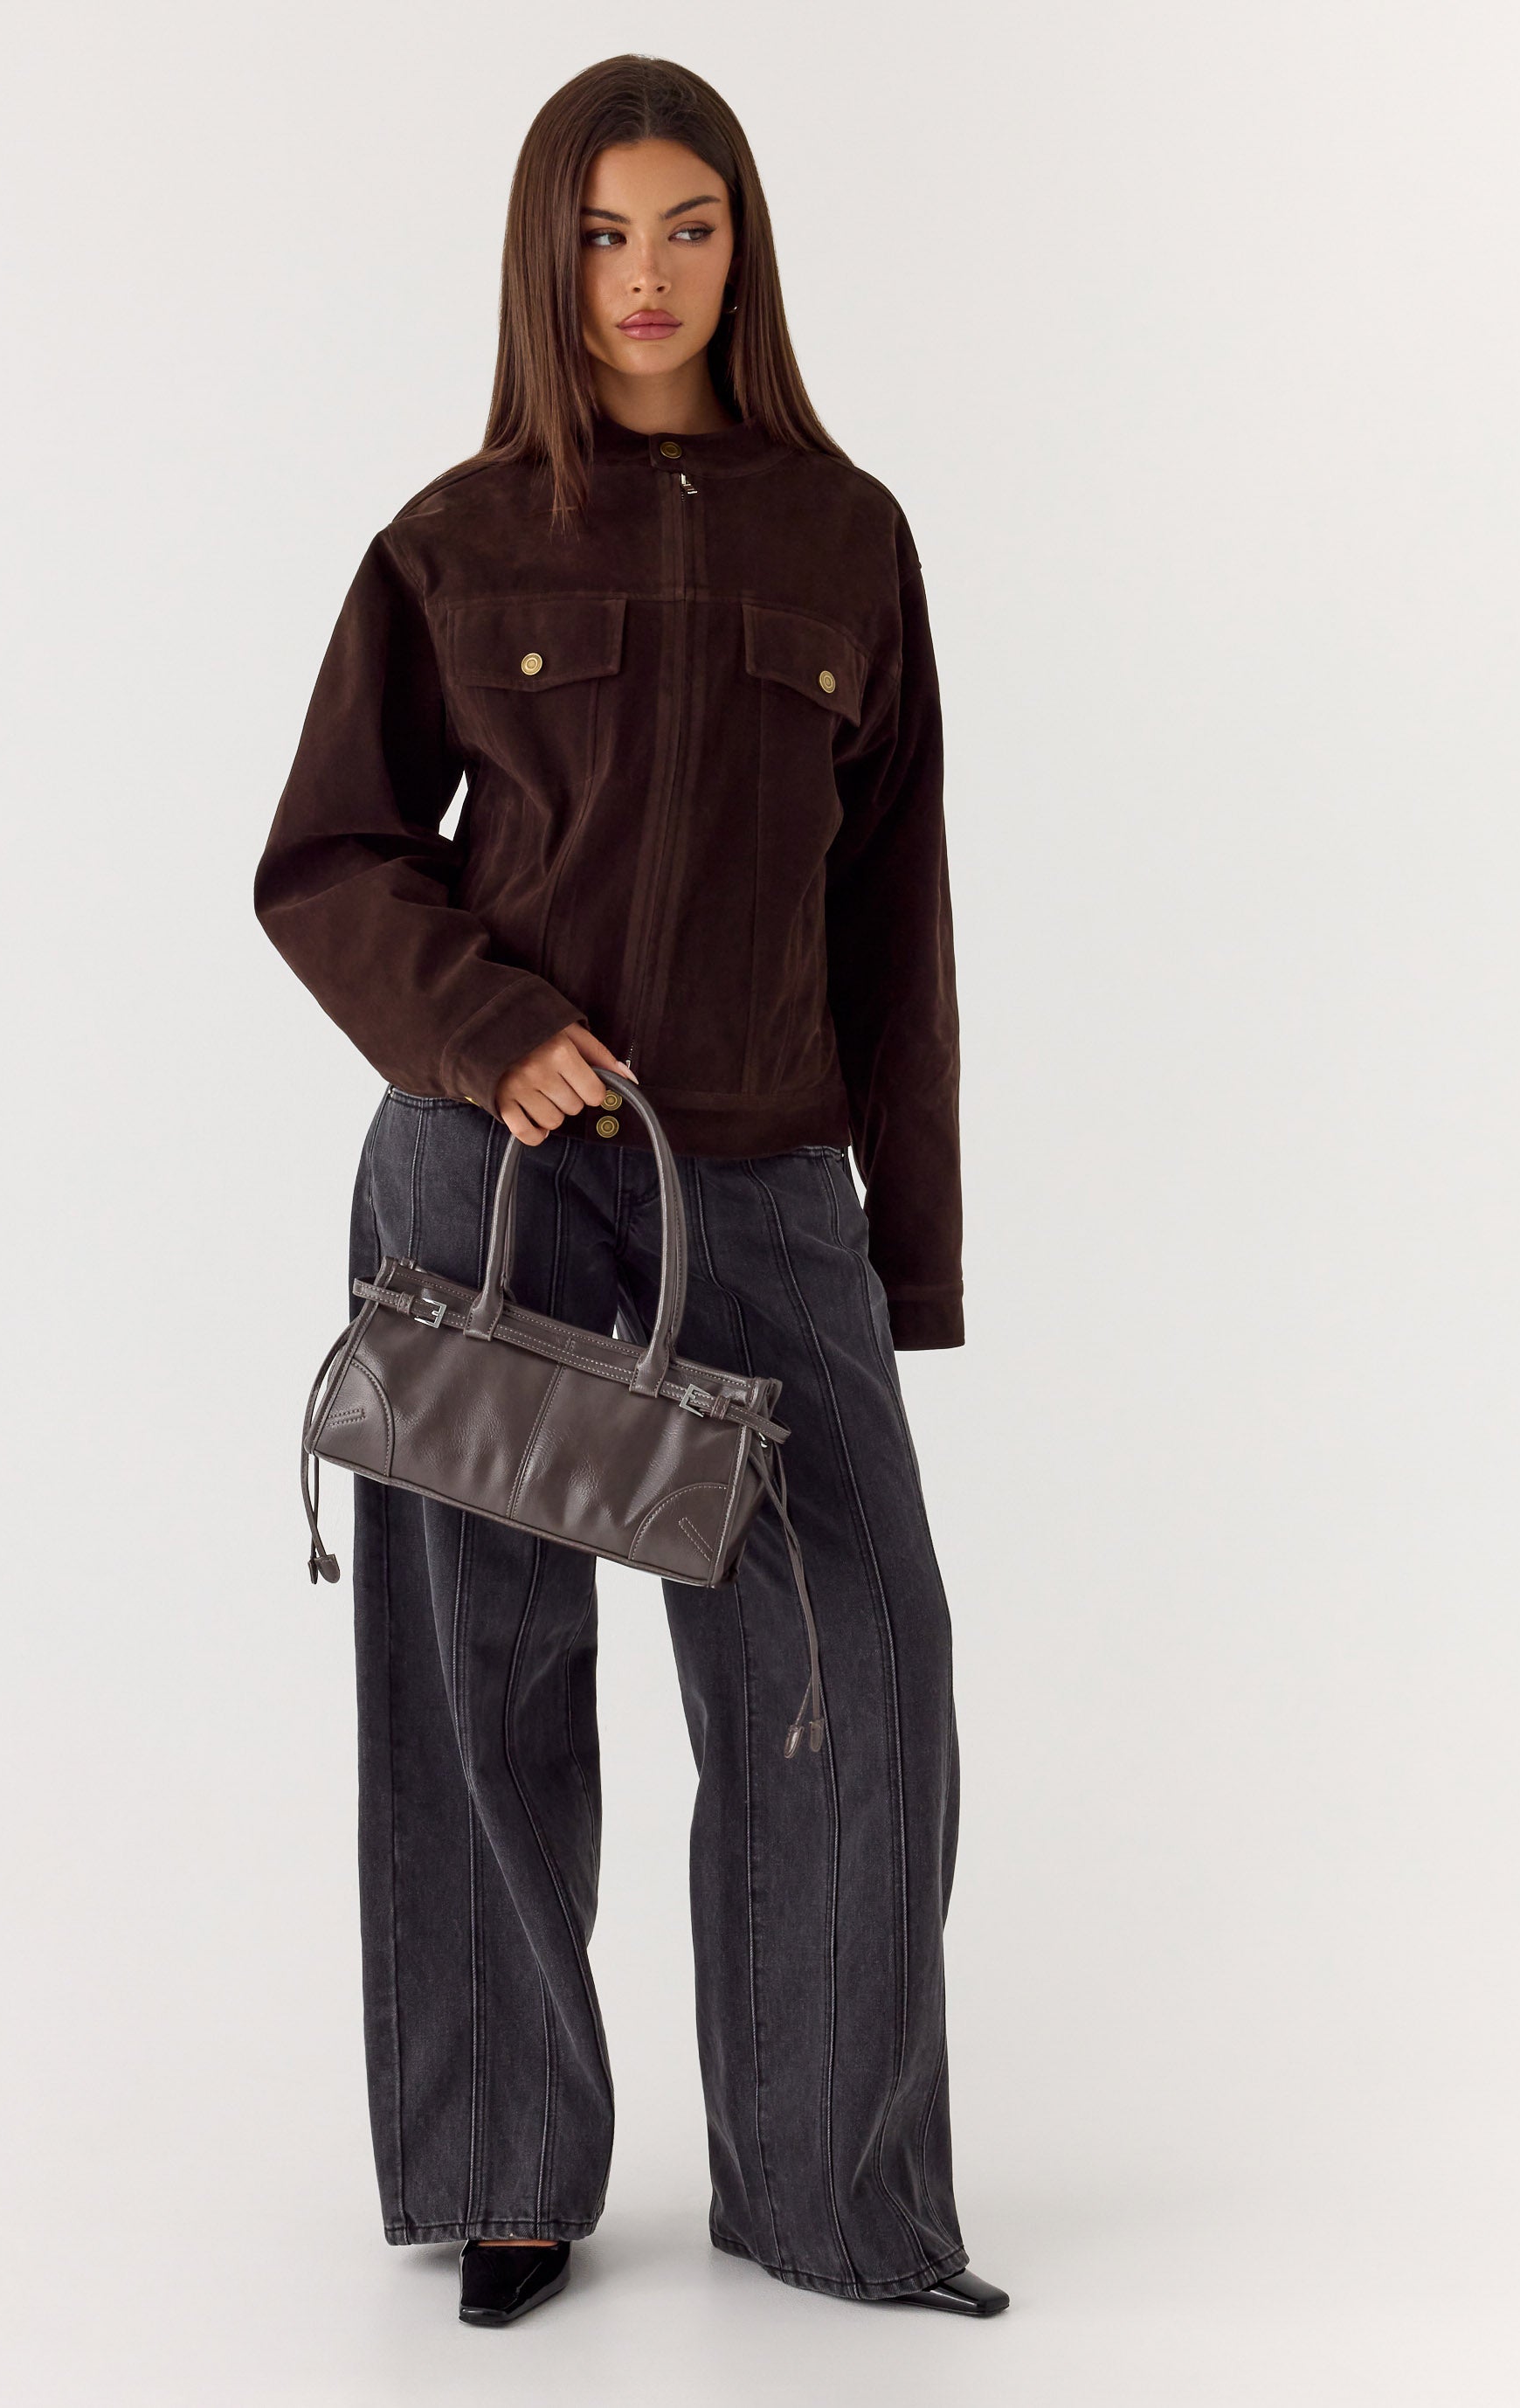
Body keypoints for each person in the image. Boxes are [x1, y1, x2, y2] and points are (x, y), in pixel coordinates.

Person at [253, 53, 1006, 2329]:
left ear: (743, 247)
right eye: (601, 236)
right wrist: (484, 1026)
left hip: (760, 1190)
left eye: (689, 227)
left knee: (855, 1664)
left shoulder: (848, 535)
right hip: (483, 1183)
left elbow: (895, 927)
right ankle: (505, 2172)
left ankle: (832, 2193)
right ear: (544, 260)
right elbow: (328, 856)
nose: (646, 276)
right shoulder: (457, 537)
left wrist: (905, 1257)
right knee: (479, 1675)